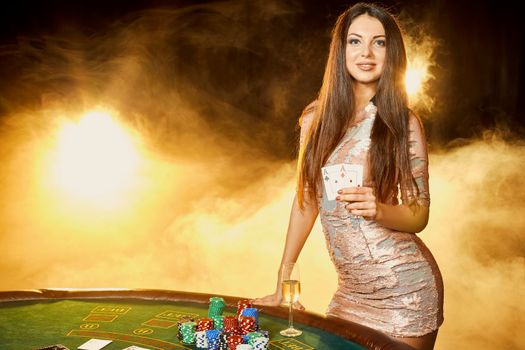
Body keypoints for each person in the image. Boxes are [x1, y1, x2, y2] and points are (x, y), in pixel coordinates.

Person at [254, 3, 444, 350]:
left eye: (379, 43)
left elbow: (420, 214)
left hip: (404, 290)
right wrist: (285, 277)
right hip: (350, 294)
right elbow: (306, 201)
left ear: (392, 52)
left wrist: (380, 209)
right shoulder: (314, 119)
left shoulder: (405, 122)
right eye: (355, 42)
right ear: (341, 50)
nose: (366, 53)